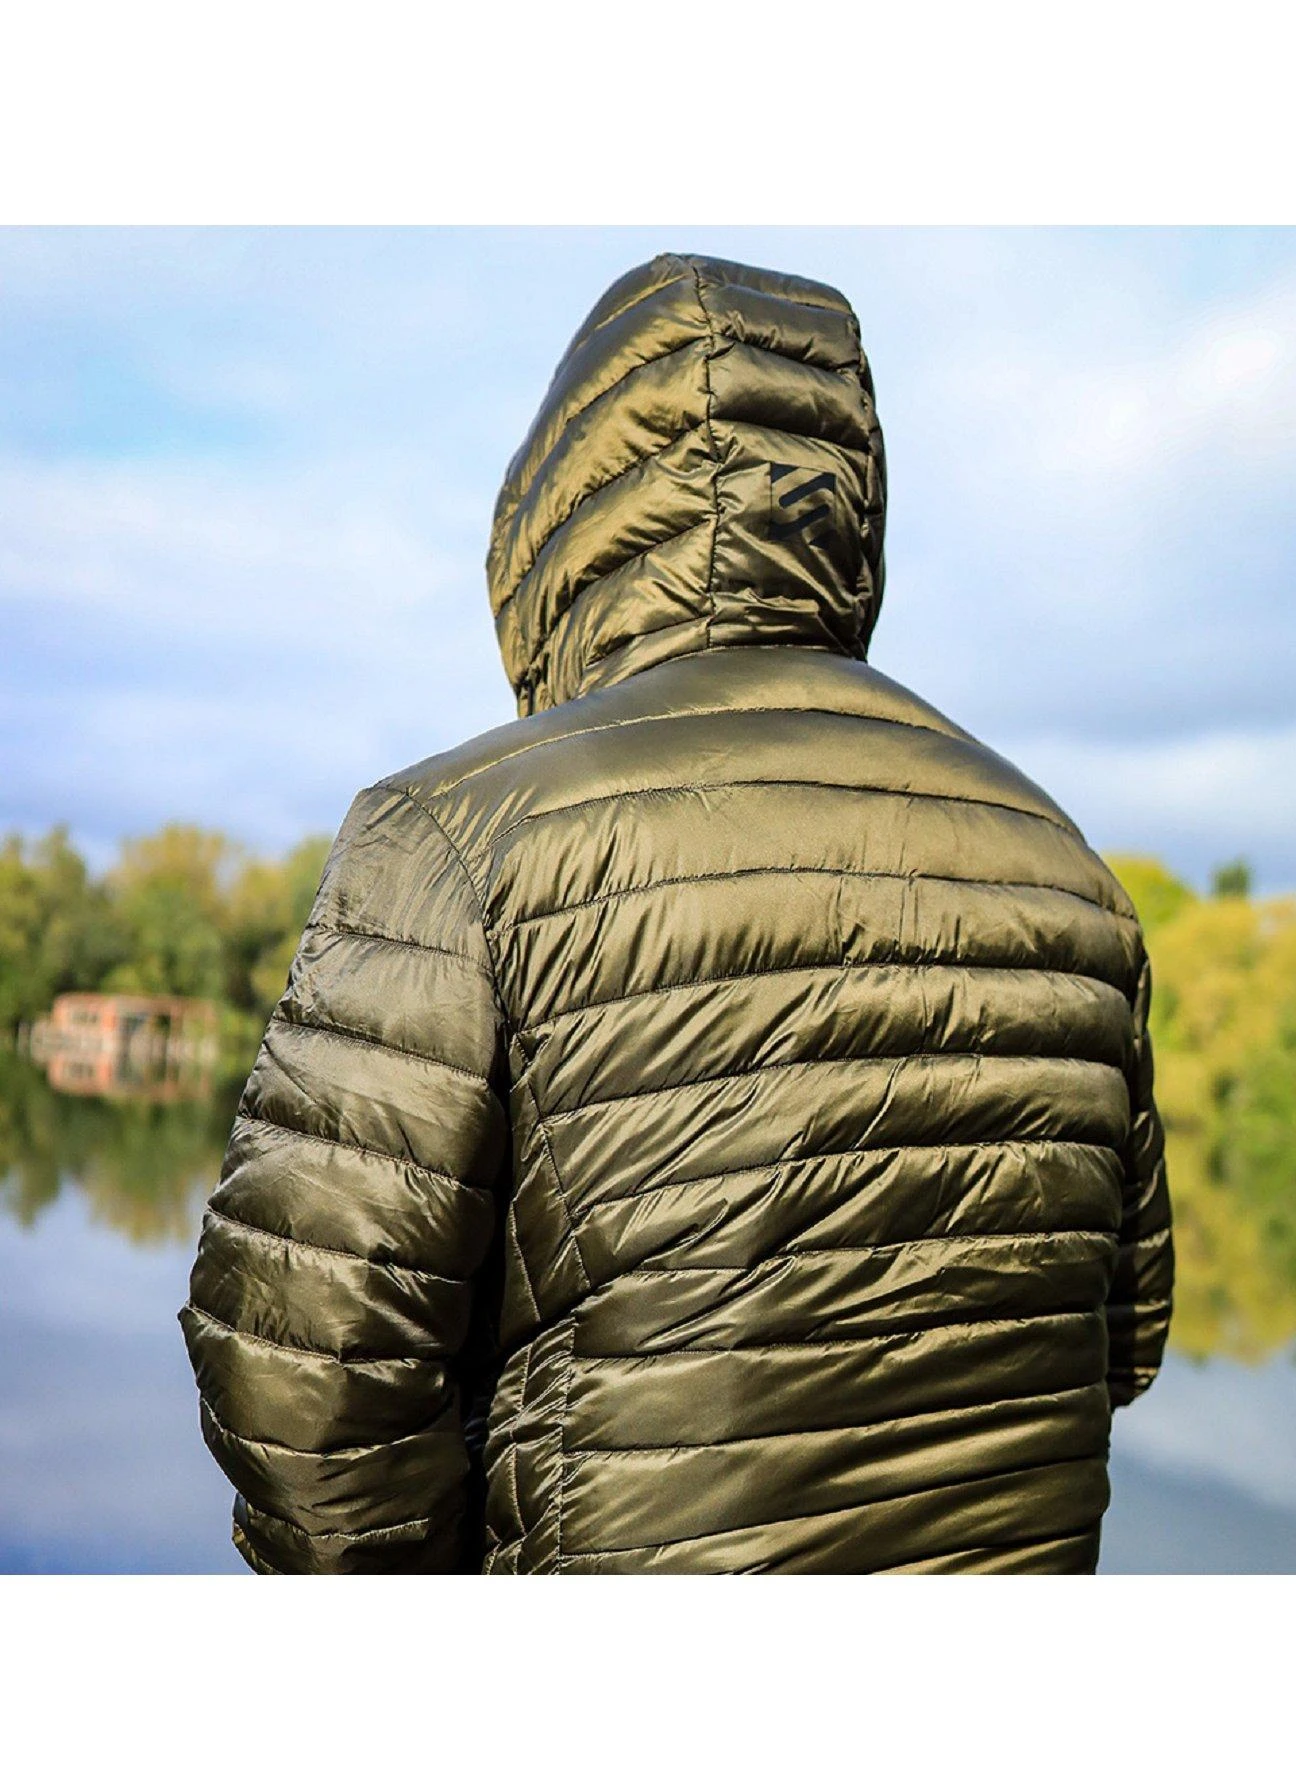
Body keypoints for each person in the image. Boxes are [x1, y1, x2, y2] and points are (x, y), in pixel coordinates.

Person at [180, 251, 1174, 1574]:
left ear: (566, 520)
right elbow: (1121, 1337)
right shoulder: (1065, 869)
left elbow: (303, 1382)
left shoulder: (457, 837)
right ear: (846, 515)